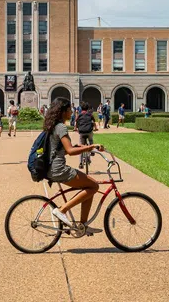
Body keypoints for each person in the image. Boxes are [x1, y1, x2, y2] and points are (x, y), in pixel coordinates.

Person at [44, 97, 105, 234]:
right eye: (70, 110)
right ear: (63, 111)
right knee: (94, 186)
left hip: (52, 168)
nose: (72, 112)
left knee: (89, 186)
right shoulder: (61, 127)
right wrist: (91, 146)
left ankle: (82, 226)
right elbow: (71, 151)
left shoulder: (53, 125)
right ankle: (62, 210)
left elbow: (64, 149)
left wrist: (85, 147)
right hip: (58, 169)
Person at [74, 102, 98, 169]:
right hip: (89, 131)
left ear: (81, 108)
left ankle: (81, 163)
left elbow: (76, 122)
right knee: (90, 139)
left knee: (81, 147)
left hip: (81, 132)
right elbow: (93, 122)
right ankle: (92, 151)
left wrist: (75, 128)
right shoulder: (90, 114)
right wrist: (95, 128)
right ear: (87, 108)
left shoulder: (79, 115)